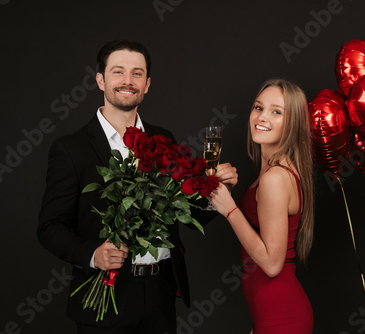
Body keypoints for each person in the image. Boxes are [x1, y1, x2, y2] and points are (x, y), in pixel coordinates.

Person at [37, 39, 238, 334]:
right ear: (100, 80)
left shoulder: (163, 138)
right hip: (106, 300)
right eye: (118, 72)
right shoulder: (71, 149)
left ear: (147, 84)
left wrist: (216, 193)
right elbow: (49, 227)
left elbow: (184, 212)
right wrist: (93, 255)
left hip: (160, 296)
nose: (127, 81)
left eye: (137, 74)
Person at [207, 79, 314, 334]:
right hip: (269, 315)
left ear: (293, 123)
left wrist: (230, 209)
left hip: (282, 317)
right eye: (258, 108)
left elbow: (271, 264)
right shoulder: (271, 173)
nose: (262, 117)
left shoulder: (275, 178)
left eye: (276, 112)